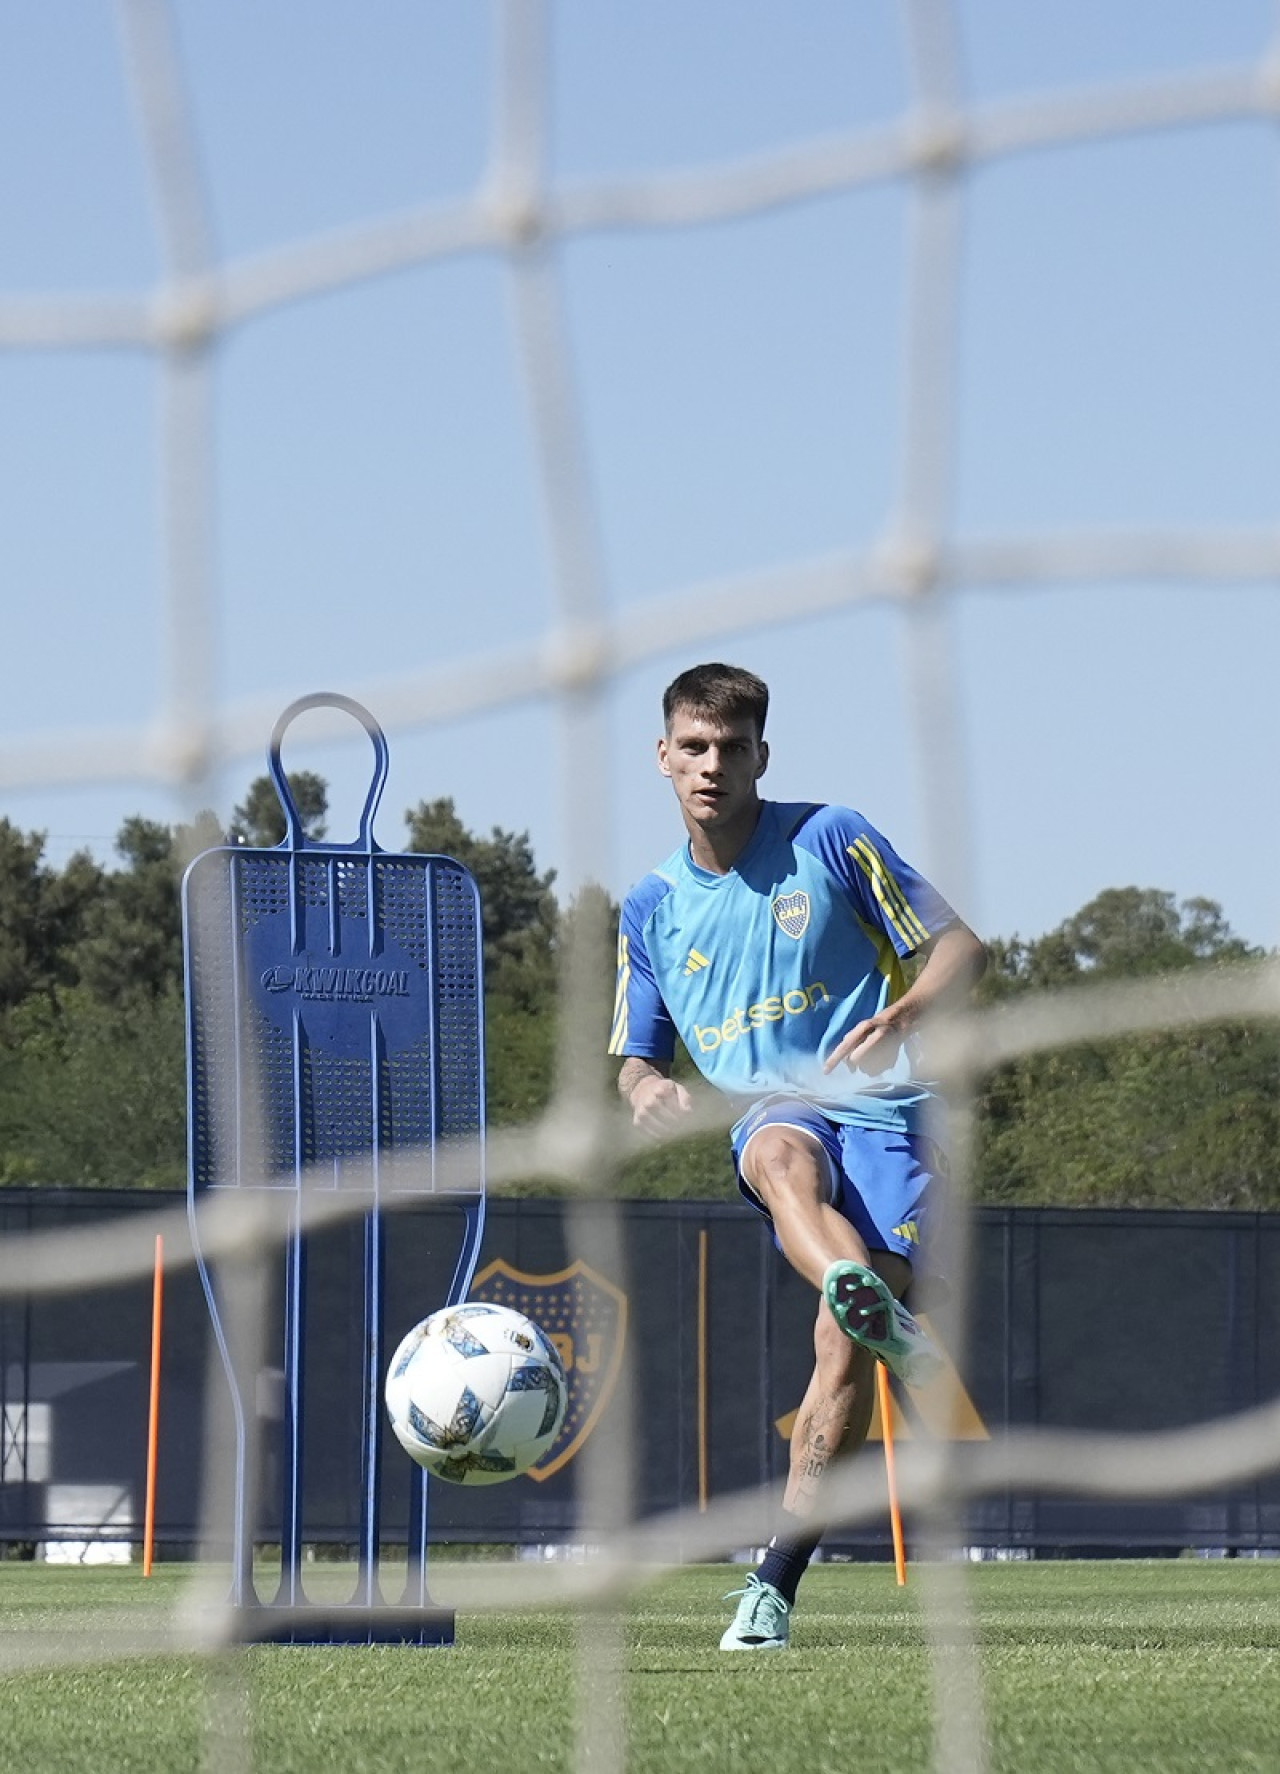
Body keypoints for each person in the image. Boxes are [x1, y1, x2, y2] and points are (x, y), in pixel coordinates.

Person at [609, 662, 986, 1650]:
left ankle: (775, 1577)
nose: (711, 766)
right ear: (662, 757)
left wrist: (903, 1007)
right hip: (778, 1110)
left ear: (759, 757)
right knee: (776, 1153)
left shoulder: (828, 837)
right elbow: (634, 1059)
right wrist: (648, 1089)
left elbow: (960, 946)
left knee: (836, 1345)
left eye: (731, 749)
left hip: (889, 1113)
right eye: (692, 747)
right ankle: (872, 1301)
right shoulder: (650, 909)